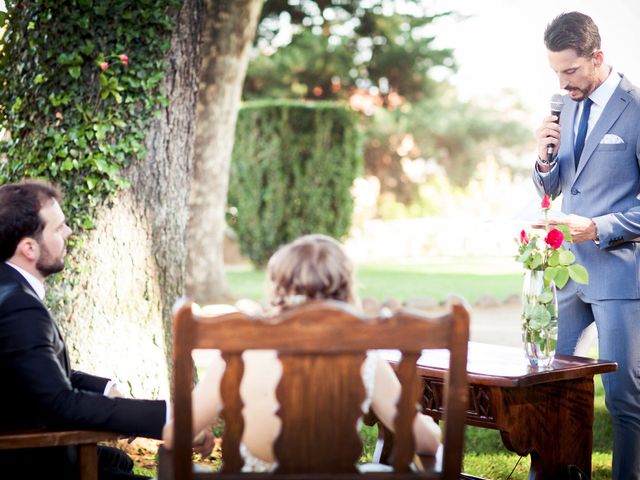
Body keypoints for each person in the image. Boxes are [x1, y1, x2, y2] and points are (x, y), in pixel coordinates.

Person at [162, 234, 441, 471]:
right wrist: (429, 425)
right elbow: (426, 443)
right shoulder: (365, 358)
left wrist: (196, 433)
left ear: (277, 289)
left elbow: (174, 436)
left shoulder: (239, 356)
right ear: (345, 292)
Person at [0, 180, 211, 479]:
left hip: (42, 447)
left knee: (118, 461)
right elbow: (59, 404)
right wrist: (171, 419)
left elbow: (33, 372)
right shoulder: (19, 306)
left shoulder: (9, 289)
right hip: (34, 462)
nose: (68, 232)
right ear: (29, 248)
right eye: (58, 228)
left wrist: (105, 388)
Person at [533, 12, 640, 479]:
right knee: (550, 383)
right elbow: (557, 186)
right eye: (557, 72)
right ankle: (556, 472)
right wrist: (542, 157)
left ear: (597, 58)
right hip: (567, 272)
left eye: (571, 71)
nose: (563, 82)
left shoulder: (636, 109)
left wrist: (597, 227)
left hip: (620, 273)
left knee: (623, 397)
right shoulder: (568, 104)